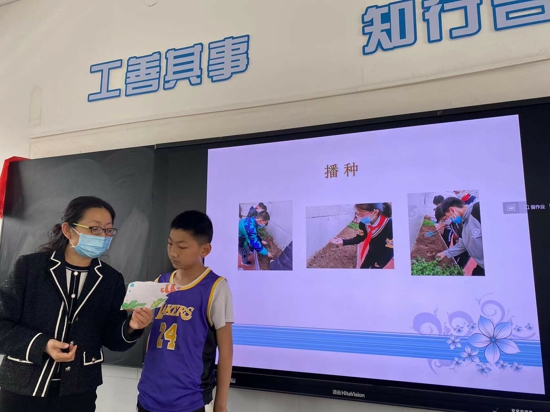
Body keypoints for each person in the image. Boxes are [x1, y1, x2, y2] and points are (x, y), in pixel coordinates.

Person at [0, 196, 153, 412]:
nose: (103, 236)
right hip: (22, 388)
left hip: (78, 392)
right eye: (95, 229)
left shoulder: (111, 280)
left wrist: (132, 327)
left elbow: (113, 339)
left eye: (108, 230)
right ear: (67, 230)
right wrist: (42, 344)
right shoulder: (30, 267)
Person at [137, 211, 233, 412]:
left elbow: (226, 351)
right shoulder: (160, 283)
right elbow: (151, 336)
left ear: (205, 249)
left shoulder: (215, 287)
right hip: (148, 396)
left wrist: (220, 405)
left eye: (181, 247)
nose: (173, 252)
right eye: (170, 244)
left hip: (188, 401)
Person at [330, 203, 393, 269]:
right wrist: (343, 241)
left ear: (375, 212)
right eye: (357, 214)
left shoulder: (390, 225)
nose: (359, 218)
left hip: (383, 256)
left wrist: (381, 261)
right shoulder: (363, 224)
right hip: (371, 251)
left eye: (361, 215)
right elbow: (359, 238)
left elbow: (391, 248)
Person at [436, 197, 484, 276]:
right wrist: (445, 253)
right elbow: (462, 244)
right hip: (481, 265)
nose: (450, 219)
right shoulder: (464, 222)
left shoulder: (478, 209)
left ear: (452, 210)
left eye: (449, 216)